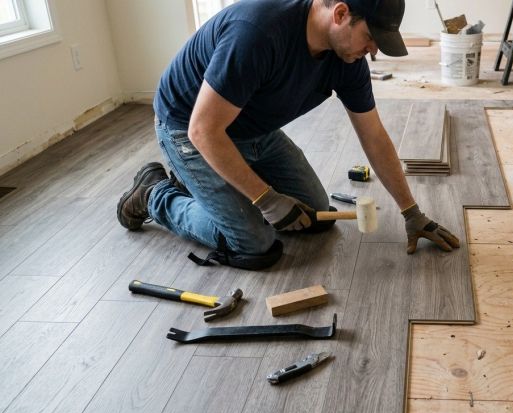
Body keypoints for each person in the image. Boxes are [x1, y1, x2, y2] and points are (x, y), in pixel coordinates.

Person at [116, 0, 459, 270]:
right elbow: (203, 130)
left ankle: (214, 189)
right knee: (253, 243)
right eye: (371, 38)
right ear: (340, 13)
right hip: (188, 129)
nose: (373, 51)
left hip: (252, 130)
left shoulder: (347, 60)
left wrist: (410, 212)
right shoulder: (258, 34)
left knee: (314, 216)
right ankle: (155, 194)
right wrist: (265, 199)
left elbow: (374, 136)